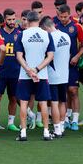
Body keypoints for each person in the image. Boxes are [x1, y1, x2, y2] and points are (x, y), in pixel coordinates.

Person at [15, 11, 54, 141]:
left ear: (27, 20)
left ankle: (24, 132)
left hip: (25, 75)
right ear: (39, 20)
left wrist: (28, 70)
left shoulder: (22, 35)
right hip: (41, 74)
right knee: (43, 103)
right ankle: (46, 132)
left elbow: (19, 56)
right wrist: (37, 70)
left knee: (24, 103)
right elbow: (50, 56)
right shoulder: (47, 35)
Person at [56, 4, 83, 131]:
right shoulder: (55, 27)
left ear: (69, 14)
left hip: (72, 64)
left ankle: (75, 120)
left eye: (65, 16)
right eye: (61, 16)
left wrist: (77, 56)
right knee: (62, 92)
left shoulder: (76, 27)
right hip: (59, 65)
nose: (63, 19)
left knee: (73, 91)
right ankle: (65, 118)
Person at [39, 16, 71, 138]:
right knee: (63, 101)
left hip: (52, 75)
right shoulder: (66, 36)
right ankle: (61, 126)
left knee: (54, 103)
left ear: (46, 27)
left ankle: (57, 129)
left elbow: (47, 56)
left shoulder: (49, 38)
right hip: (64, 75)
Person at [0, 9, 21, 133]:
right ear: (4, 20)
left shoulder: (20, 33)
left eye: (14, 19)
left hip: (15, 71)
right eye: (9, 19)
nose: (12, 22)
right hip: (0, 72)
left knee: (13, 98)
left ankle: (11, 123)